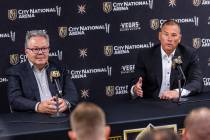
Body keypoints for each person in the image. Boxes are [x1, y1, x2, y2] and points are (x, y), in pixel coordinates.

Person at [6, 30, 78, 114]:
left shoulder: (60, 69)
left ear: (48, 50)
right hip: (32, 120)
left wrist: (65, 103)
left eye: (44, 48)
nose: (40, 52)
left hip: (59, 117)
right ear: (26, 51)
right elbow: (14, 99)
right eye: (35, 49)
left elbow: (72, 94)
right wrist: (38, 106)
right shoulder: (15, 72)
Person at [131, 20, 203, 100]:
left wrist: (177, 92)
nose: (169, 39)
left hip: (176, 103)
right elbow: (135, 82)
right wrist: (135, 89)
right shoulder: (145, 55)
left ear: (179, 38)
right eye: (166, 34)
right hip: (151, 103)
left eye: (174, 35)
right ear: (159, 36)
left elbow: (197, 82)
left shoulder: (189, 54)